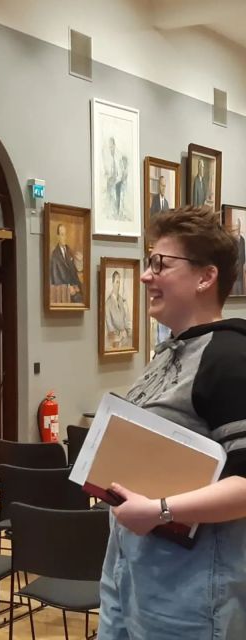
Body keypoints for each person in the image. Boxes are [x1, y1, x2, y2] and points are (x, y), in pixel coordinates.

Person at [98, 206, 246, 639]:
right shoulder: (170, 353)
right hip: (131, 573)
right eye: (149, 263)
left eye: (161, 264)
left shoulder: (229, 358)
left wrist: (159, 510)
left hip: (191, 593)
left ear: (206, 277)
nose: (146, 276)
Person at [49, 223, 83, 303]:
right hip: (64, 292)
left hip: (75, 288)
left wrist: (80, 261)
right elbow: (55, 278)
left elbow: (75, 270)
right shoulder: (55, 255)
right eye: (62, 235)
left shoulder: (69, 250)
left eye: (65, 234)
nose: (64, 237)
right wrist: (68, 287)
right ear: (58, 236)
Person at [105, 270, 132, 349]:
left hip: (125, 339)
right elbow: (110, 327)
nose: (118, 285)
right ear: (112, 283)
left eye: (119, 282)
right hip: (114, 342)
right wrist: (120, 334)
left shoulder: (123, 301)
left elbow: (127, 320)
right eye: (117, 282)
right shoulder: (108, 303)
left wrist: (128, 331)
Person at [231, 218, 245, 296]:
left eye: (238, 226)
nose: (237, 228)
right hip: (234, 266)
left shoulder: (242, 240)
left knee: (240, 285)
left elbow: (243, 255)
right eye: (236, 226)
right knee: (234, 284)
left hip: (240, 267)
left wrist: (242, 264)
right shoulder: (232, 240)